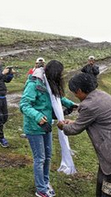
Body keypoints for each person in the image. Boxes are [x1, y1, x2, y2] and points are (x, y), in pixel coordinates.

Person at [20, 60, 77, 197]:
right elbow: (24, 105)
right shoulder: (34, 83)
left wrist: (72, 104)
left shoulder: (49, 82)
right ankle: (41, 189)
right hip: (34, 127)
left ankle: (45, 182)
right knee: (40, 158)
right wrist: (38, 117)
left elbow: (57, 98)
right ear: (52, 73)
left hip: (46, 126)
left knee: (48, 156)